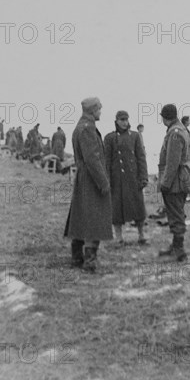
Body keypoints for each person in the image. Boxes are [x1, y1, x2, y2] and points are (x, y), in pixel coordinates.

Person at [64, 97, 112, 272]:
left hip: (84, 178)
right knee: (94, 219)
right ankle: (90, 261)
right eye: (99, 109)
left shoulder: (81, 127)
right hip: (91, 179)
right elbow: (92, 158)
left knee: (81, 217)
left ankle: (77, 257)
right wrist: (103, 182)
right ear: (93, 110)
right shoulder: (87, 129)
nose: (100, 112)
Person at [105, 112, 148, 245]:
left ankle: (141, 235)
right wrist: (107, 180)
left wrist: (143, 177)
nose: (124, 122)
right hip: (117, 179)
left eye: (126, 119)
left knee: (138, 207)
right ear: (116, 121)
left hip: (133, 178)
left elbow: (141, 158)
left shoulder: (135, 136)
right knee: (117, 210)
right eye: (121, 120)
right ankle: (119, 238)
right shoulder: (110, 138)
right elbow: (106, 161)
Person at [158, 104, 190, 262]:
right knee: (176, 213)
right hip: (181, 180)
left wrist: (165, 184)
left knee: (176, 215)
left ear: (165, 117)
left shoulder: (175, 133)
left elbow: (172, 162)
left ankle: (180, 251)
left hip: (175, 183)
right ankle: (175, 246)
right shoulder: (182, 129)